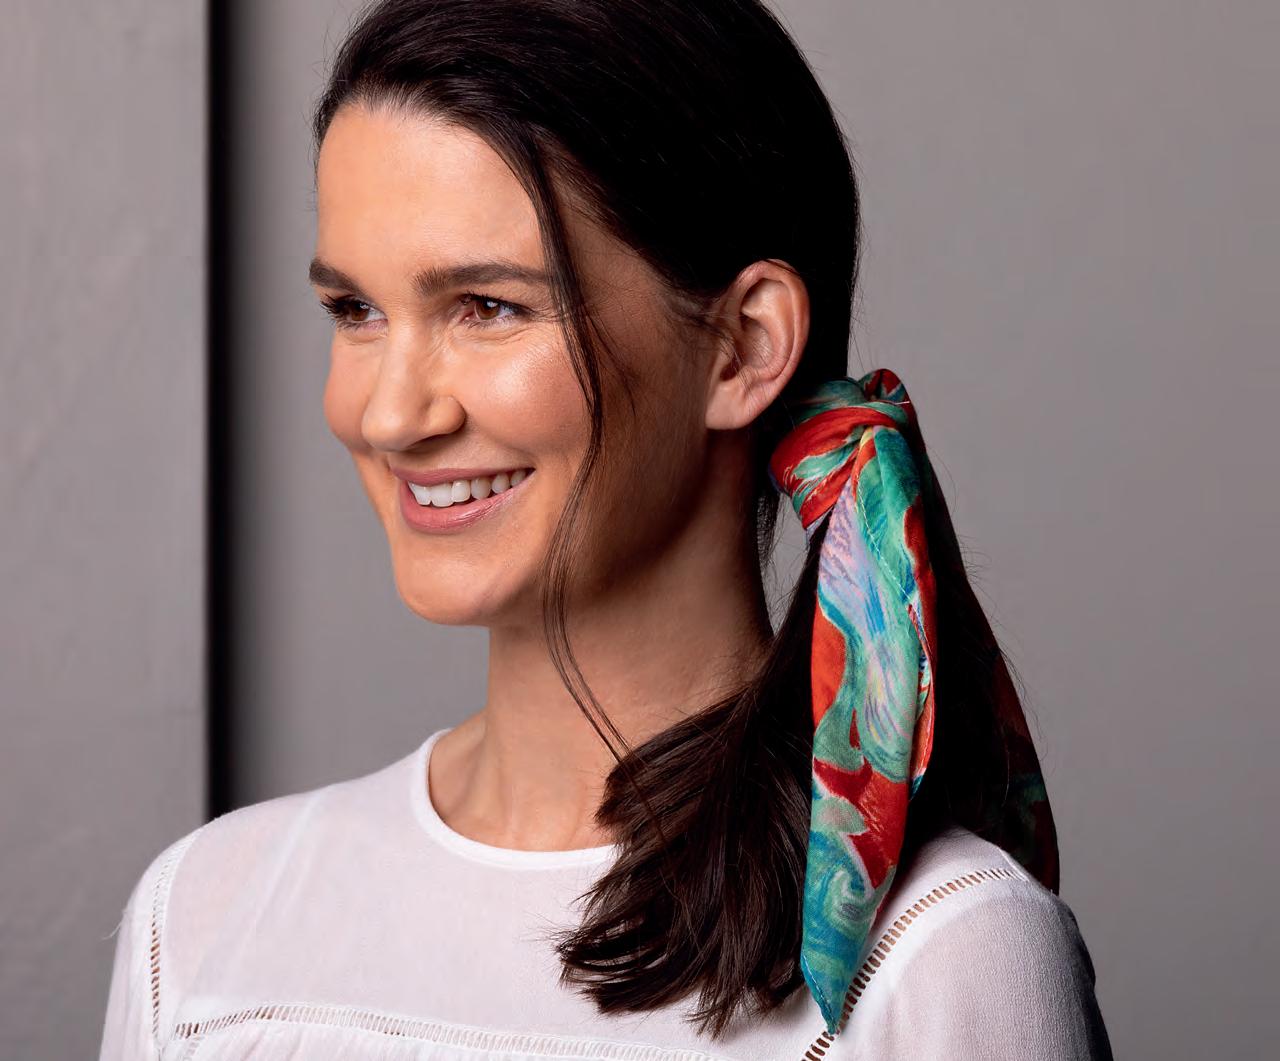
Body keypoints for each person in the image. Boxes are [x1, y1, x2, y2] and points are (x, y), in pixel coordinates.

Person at [98, 1, 1113, 1057]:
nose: (389, 414)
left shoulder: (941, 952)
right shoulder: (201, 921)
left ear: (741, 345)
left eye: (487, 306)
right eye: (355, 311)